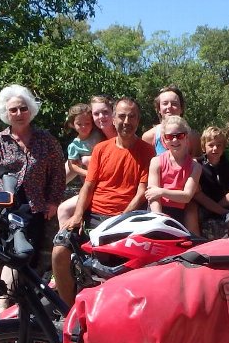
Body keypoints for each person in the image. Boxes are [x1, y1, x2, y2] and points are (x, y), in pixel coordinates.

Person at [0, 84, 66, 323]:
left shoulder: (46, 141)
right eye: (13, 110)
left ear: (30, 110)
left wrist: (53, 201)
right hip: (2, 203)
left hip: (33, 205)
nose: (19, 113)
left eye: (23, 108)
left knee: (17, 253)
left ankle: (3, 301)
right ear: (5, 113)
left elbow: (57, 175)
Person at [51, 96, 156, 306]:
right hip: (93, 216)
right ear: (114, 119)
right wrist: (78, 215)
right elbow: (88, 186)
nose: (127, 121)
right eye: (122, 116)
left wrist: (120, 219)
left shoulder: (147, 151)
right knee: (59, 251)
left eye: (132, 116)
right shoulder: (101, 149)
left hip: (124, 219)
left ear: (138, 120)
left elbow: (141, 191)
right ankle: (68, 310)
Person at [56, 95, 116, 228]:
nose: (101, 116)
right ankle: (65, 244)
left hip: (110, 188)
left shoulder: (118, 134)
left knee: (87, 159)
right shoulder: (89, 137)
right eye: (96, 113)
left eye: (105, 112)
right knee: (62, 208)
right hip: (93, 184)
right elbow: (72, 166)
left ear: (113, 112)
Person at [145, 114, 200, 231]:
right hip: (157, 211)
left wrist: (161, 191)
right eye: (170, 136)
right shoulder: (156, 162)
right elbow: (153, 197)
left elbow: (186, 196)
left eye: (179, 135)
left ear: (186, 138)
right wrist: (159, 220)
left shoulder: (195, 167)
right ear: (164, 140)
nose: (175, 140)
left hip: (180, 212)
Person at [193, 126, 229, 238]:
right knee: (196, 193)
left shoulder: (228, 166)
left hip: (224, 203)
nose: (215, 148)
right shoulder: (198, 165)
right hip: (205, 207)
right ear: (203, 147)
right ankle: (220, 212)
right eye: (211, 145)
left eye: (219, 145)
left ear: (223, 147)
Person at [141, 85, 202, 157]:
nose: (169, 107)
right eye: (165, 103)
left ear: (181, 109)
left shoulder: (193, 137)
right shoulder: (149, 137)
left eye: (174, 104)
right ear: (159, 109)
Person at [63, 103, 103, 186]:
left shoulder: (98, 133)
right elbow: (72, 165)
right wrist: (87, 173)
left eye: (87, 123)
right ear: (72, 125)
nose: (83, 127)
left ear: (92, 122)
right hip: (90, 176)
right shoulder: (74, 145)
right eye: (79, 124)